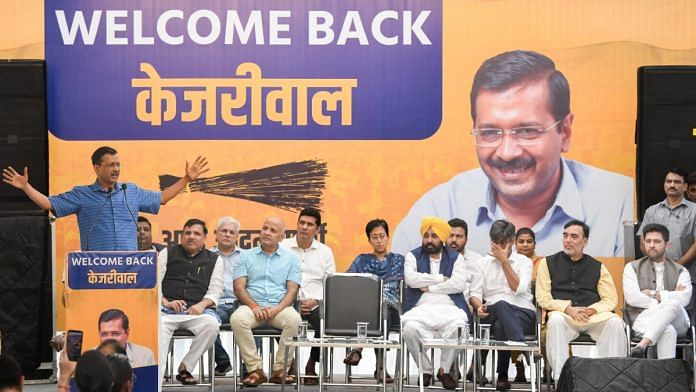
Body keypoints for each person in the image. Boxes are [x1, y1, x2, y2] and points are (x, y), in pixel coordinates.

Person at [393, 50, 632, 258]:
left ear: (565, 132)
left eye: (527, 131)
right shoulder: (439, 209)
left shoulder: (621, 204)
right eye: (489, 132)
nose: (507, 153)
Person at [2, 146, 209, 251]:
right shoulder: (82, 194)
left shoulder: (131, 191)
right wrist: (26, 186)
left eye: (118, 164)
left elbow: (162, 198)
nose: (116, 169)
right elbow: (49, 204)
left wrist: (186, 179)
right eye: (111, 165)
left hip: (129, 268)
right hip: (96, 270)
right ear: (97, 168)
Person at [536, 220, 626, 379]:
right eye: (565, 236)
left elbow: (611, 298)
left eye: (574, 236)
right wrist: (568, 309)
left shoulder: (598, 266)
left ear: (585, 241)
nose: (568, 240)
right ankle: (561, 381)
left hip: (592, 317)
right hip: (565, 316)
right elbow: (542, 297)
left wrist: (592, 310)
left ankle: (613, 379)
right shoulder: (547, 263)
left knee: (615, 322)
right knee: (555, 320)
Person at [231, 216, 302, 387]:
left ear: (282, 237)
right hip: (252, 307)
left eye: (273, 230)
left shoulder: (291, 259)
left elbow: (292, 290)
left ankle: (280, 370)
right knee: (237, 319)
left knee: (294, 320)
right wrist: (254, 306)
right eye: (265, 228)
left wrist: (277, 309)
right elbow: (239, 287)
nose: (267, 233)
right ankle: (255, 370)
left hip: (279, 307)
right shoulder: (245, 256)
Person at [402, 217, 471, 390]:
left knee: (459, 327)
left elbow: (458, 284)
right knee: (409, 329)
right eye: (426, 236)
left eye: (434, 236)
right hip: (420, 308)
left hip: (450, 308)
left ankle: (444, 370)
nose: (429, 240)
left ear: (442, 238)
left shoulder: (456, 258)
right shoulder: (412, 255)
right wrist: (440, 279)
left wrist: (429, 288)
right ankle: (425, 369)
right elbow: (411, 280)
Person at [469, 220, 535, 390]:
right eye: (495, 242)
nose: (498, 247)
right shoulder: (482, 263)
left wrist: (505, 262)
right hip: (490, 312)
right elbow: (475, 294)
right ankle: (520, 349)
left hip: (523, 313)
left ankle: (494, 372)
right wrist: (478, 307)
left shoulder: (524, 262)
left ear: (512, 241)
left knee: (500, 319)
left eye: (503, 243)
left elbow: (518, 289)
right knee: (499, 309)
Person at [158, 218, 222, 385]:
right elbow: (154, 285)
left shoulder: (214, 259)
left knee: (212, 325)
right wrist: (165, 302)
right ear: (182, 236)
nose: (191, 237)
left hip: (196, 312)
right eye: (187, 233)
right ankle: (155, 384)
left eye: (196, 233)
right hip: (167, 312)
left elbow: (215, 291)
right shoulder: (167, 253)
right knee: (157, 329)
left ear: (204, 238)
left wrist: (201, 305)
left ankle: (186, 365)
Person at [344, 218, 405, 384]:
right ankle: (380, 367)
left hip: (392, 307)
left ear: (388, 236)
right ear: (369, 240)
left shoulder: (399, 260)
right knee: (375, 307)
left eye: (382, 236)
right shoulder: (361, 260)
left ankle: (358, 348)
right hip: (365, 307)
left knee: (383, 308)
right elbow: (347, 282)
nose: (379, 240)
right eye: (375, 237)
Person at [279, 207, 335, 384]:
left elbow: (330, 284)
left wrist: (316, 301)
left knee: (325, 319)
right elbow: (275, 278)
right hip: (288, 300)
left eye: (309, 224)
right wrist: (292, 300)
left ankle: (312, 364)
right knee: (273, 317)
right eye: (301, 223)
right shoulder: (283, 247)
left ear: (317, 230)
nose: (304, 227)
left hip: (315, 302)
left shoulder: (325, 252)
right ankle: (290, 361)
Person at [625, 223, 691, 359]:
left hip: (677, 321)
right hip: (643, 318)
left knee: (674, 305)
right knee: (667, 329)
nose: (651, 245)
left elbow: (684, 299)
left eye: (657, 241)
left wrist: (651, 293)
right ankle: (666, 378)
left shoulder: (681, 270)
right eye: (648, 241)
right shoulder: (631, 268)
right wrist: (668, 297)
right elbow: (632, 297)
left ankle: (641, 346)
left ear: (667, 245)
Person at [639, 168, 696, 317]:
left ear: (685, 187)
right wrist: (656, 264)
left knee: (685, 315)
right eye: (669, 181)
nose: (672, 185)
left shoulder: (694, 211)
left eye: (677, 182)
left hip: (686, 274)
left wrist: (677, 266)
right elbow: (642, 240)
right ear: (664, 185)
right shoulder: (652, 211)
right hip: (654, 275)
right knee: (655, 313)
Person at [209, 216, 243, 376]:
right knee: (206, 321)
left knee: (254, 320)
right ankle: (222, 360)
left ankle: (248, 369)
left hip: (240, 303)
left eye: (232, 232)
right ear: (216, 234)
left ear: (237, 236)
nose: (227, 235)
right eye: (224, 231)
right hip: (216, 304)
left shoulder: (246, 256)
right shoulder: (206, 256)